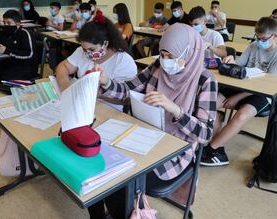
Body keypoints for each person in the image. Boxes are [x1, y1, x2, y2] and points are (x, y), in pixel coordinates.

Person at [88, 23, 217, 218]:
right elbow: (127, 90)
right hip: (144, 134)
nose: (165, 61)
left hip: (175, 150)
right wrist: (106, 81)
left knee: (119, 177)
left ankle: (121, 213)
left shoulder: (205, 80)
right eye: (162, 55)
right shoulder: (158, 67)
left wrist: (174, 109)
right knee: (97, 160)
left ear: (190, 53)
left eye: (171, 57)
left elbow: (205, 134)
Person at [200, 17, 277, 167]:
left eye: (263, 38)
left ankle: (212, 149)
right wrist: (231, 60)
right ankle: (218, 148)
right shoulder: (254, 46)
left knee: (241, 115)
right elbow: (240, 65)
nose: (259, 41)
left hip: (262, 93)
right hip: (242, 86)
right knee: (209, 104)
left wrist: (238, 96)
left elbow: (268, 86)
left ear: (274, 36)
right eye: (257, 37)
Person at [56, 10, 137, 111]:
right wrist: (65, 86)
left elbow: (126, 99)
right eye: (84, 49)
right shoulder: (82, 51)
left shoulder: (123, 61)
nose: (87, 53)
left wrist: (99, 94)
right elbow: (63, 67)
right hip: (83, 105)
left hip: (109, 110)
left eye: (91, 49)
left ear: (105, 43)